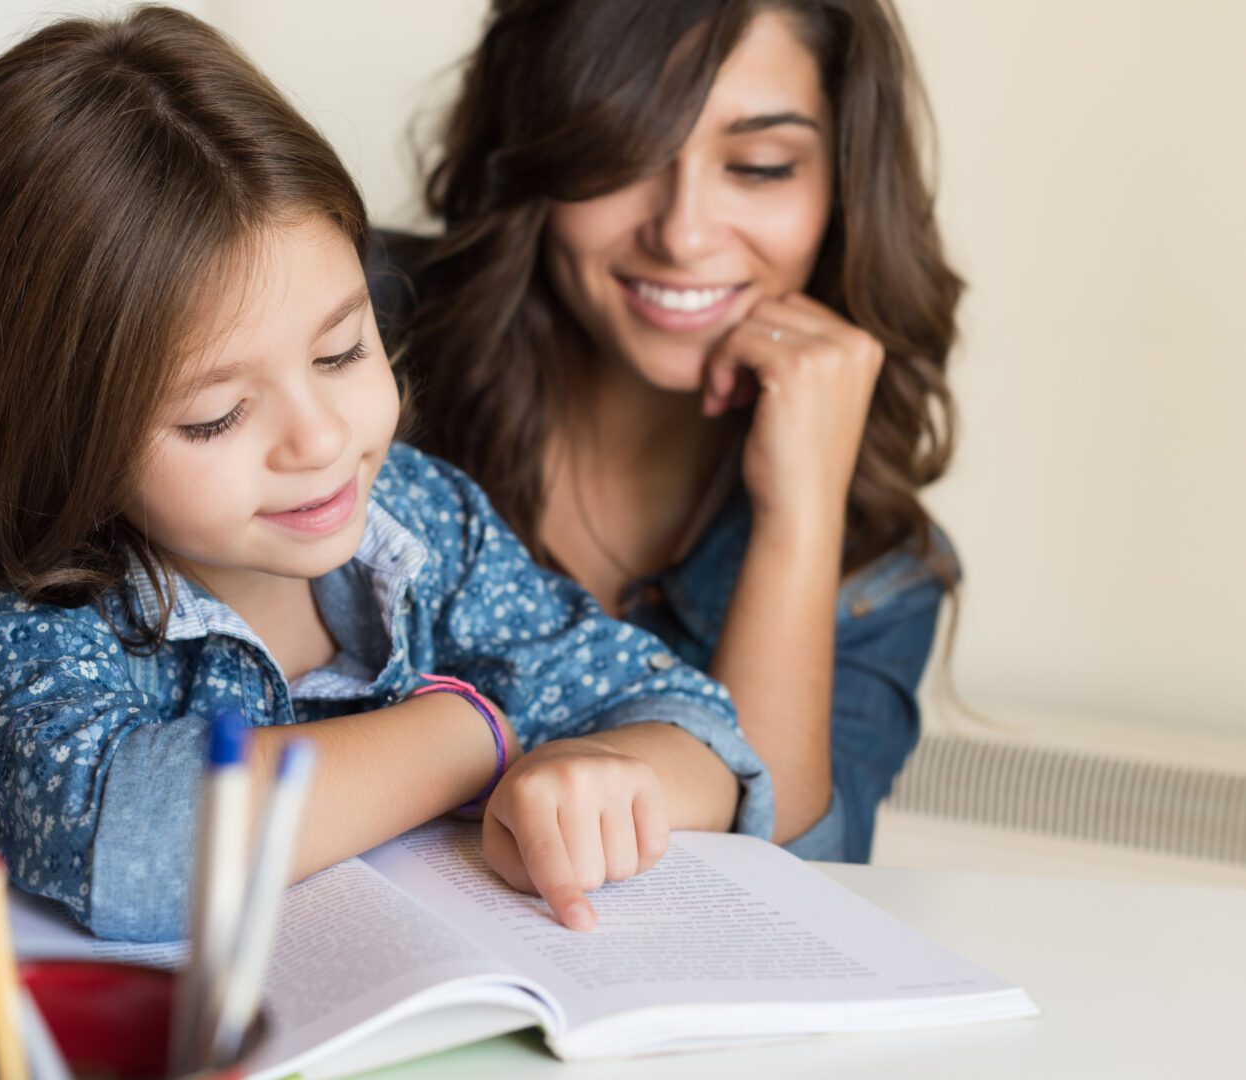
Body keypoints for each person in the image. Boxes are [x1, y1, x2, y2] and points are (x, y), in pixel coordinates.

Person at [0, 6, 771, 940]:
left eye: (342, 352)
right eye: (215, 416)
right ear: (54, 431)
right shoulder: (5, 602)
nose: (320, 440)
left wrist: (599, 773)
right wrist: (470, 737)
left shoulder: (421, 519)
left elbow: (699, 733)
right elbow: (129, 843)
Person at [405, 0, 963, 861]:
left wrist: (799, 516)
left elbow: (785, 888)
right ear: (541, 148)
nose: (682, 234)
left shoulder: (881, 576)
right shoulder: (344, 356)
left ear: (843, 186)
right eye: (626, 152)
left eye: (759, 167)